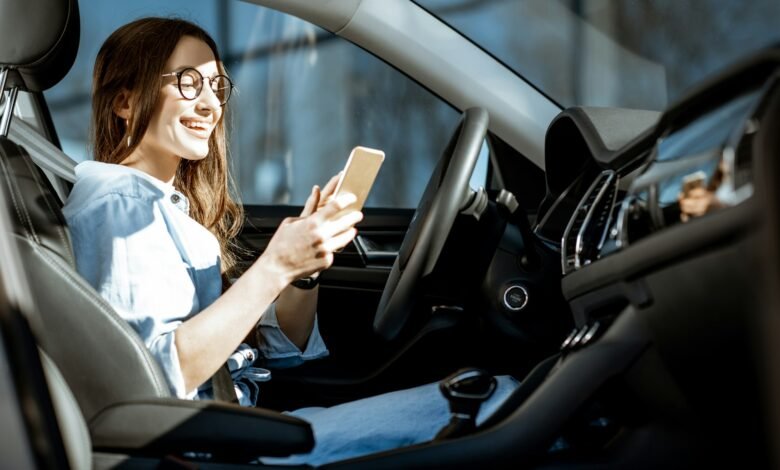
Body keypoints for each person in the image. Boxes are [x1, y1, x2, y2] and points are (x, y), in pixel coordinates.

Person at [62, 17, 518, 466]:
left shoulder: (163, 208)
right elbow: (145, 384)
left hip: (240, 428)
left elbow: (276, 350)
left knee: (490, 399)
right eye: (187, 83)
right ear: (125, 102)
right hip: (215, 447)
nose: (210, 105)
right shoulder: (122, 208)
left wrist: (303, 272)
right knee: (498, 403)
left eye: (217, 88)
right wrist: (273, 267)